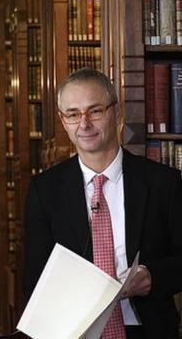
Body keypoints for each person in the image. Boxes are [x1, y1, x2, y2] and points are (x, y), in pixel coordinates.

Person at [24, 68, 182, 338]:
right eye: (73, 114)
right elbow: (37, 278)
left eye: (95, 111)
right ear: (63, 121)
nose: (84, 123)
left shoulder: (163, 182)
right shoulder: (44, 190)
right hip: (76, 331)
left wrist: (152, 277)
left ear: (117, 113)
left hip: (147, 328)